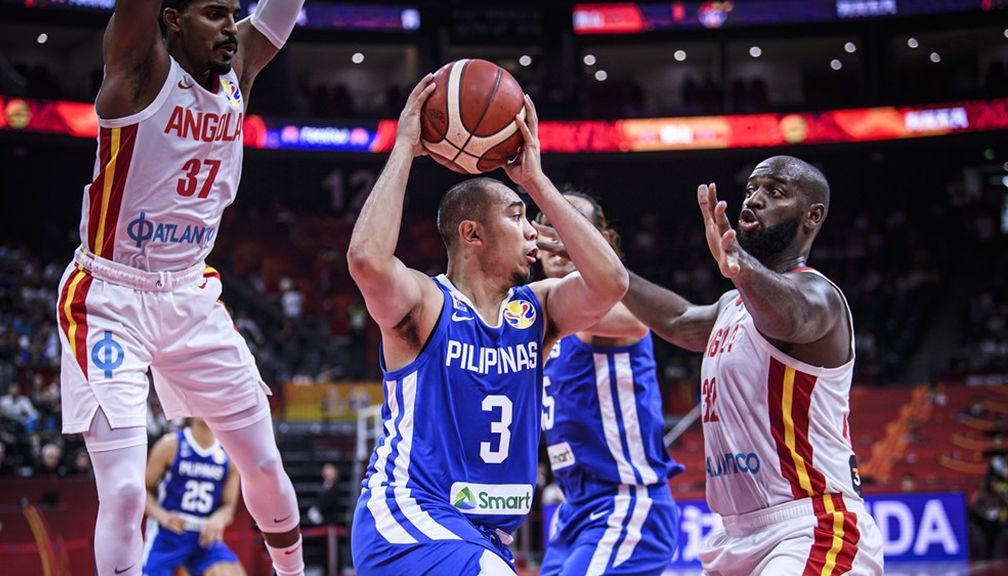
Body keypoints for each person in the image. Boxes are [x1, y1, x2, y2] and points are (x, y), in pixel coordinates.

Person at [54, 1, 306, 574]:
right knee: (121, 492)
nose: (229, 27)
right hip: (109, 294)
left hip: (191, 292)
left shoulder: (235, 70)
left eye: (232, 14)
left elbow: (280, 12)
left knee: (265, 464)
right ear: (171, 20)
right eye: (214, 14)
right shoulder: (137, 74)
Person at [347, 77, 629, 576]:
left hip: (485, 536)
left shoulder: (534, 311)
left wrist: (536, 181)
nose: (533, 233)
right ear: (472, 233)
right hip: (411, 516)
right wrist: (406, 147)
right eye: (519, 216)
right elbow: (367, 260)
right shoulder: (426, 304)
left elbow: (610, 283)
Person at [621, 156, 884, 574]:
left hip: (810, 526)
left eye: (774, 192)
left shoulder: (821, 297)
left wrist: (738, 264)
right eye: (751, 190)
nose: (755, 199)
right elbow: (675, 320)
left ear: (812, 216)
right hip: (735, 533)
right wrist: (599, 260)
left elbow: (792, 317)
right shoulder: (732, 305)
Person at [534, 192, 683, 576]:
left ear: (604, 239)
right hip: (574, 510)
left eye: (571, 226)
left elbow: (633, 320)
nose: (558, 238)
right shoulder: (542, 327)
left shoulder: (611, 313)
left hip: (625, 502)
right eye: (549, 225)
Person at [143, 418, 244, 576]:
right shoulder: (170, 444)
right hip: (168, 533)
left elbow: (228, 507)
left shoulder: (230, 453)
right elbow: (142, 491)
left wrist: (218, 518)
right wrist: (162, 516)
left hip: (204, 538)